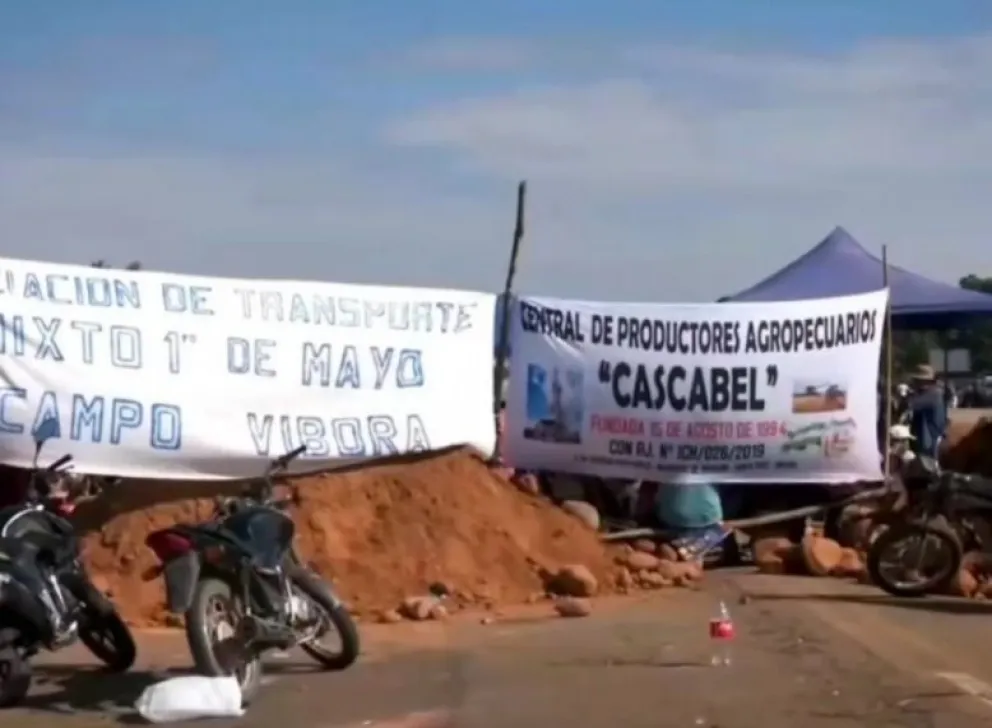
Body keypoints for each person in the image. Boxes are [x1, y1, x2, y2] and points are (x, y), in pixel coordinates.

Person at [905, 364, 947, 460]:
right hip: (926, 436)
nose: (914, 382)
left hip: (930, 438)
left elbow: (911, 404)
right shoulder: (931, 393)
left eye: (917, 380)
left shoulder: (933, 394)